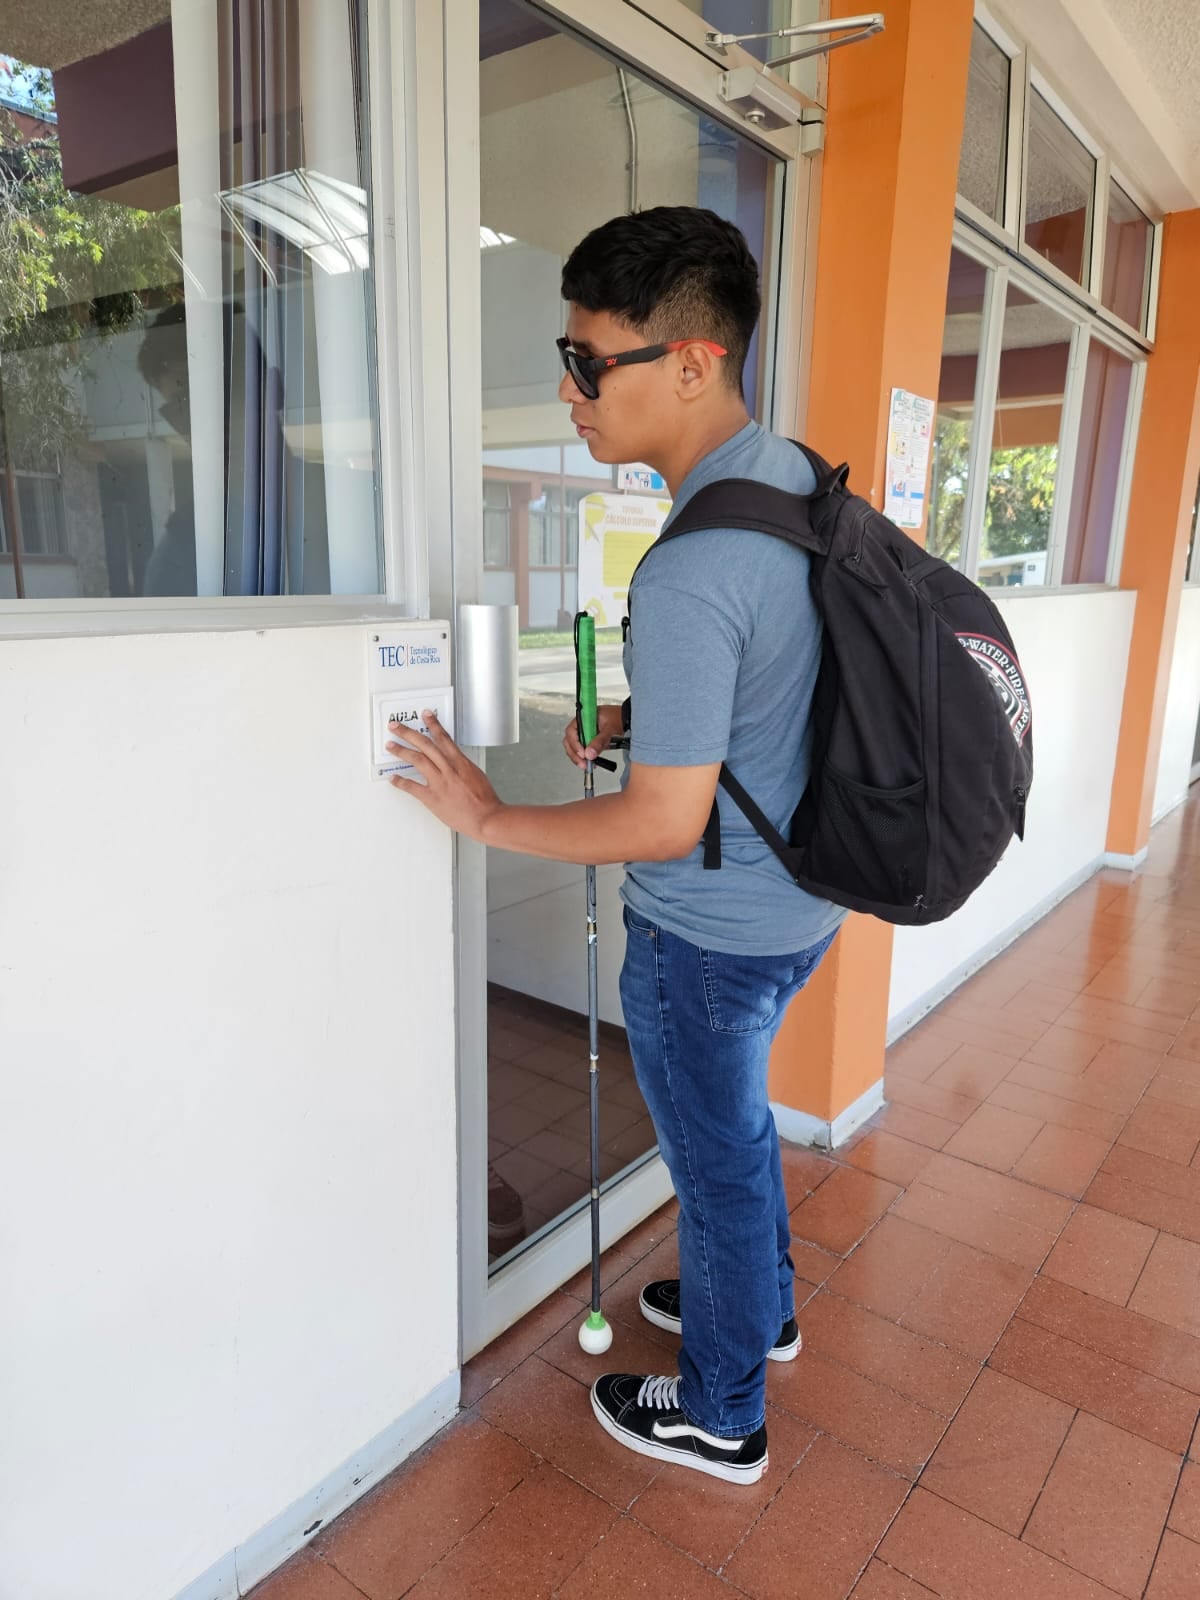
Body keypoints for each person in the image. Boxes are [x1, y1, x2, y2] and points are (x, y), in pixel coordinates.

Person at [388, 206, 845, 1486]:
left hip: (710, 936)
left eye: (591, 363)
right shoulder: (792, 482)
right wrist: (660, 718)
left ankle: (722, 1408)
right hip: (798, 902)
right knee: (739, 1134)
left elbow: (660, 820)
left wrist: (486, 815)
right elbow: (781, 684)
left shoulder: (695, 565)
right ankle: (758, 1304)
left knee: (715, 1154)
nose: (570, 390)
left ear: (691, 360)